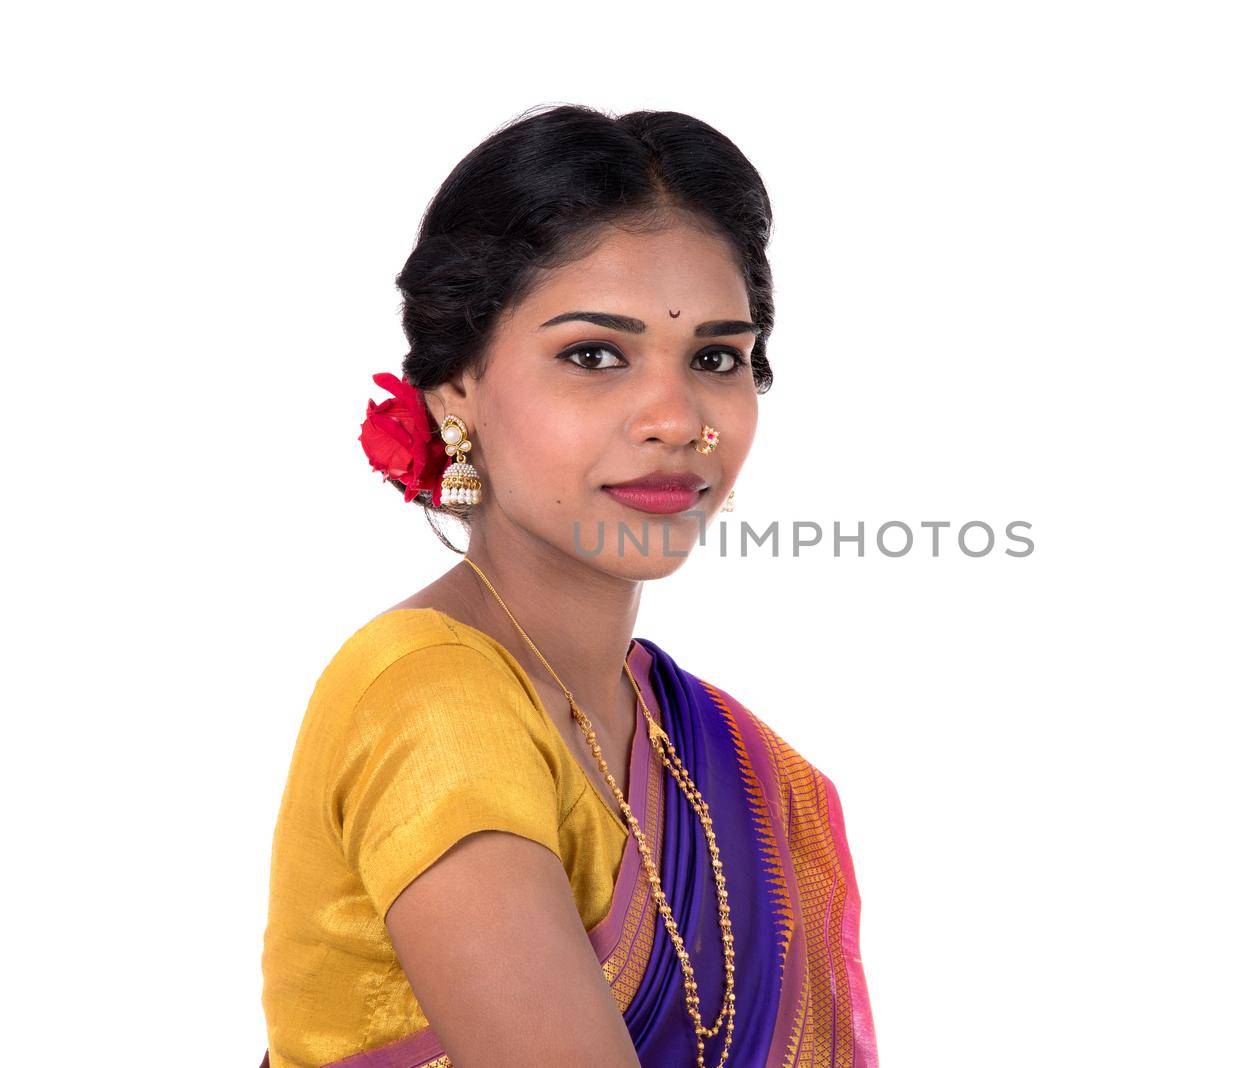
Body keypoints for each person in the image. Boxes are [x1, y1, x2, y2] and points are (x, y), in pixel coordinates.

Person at [258, 104, 878, 1068]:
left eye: (717, 358)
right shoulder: (433, 701)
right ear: (456, 382)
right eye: (594, 355)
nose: (676, 419)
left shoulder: (741, 765)